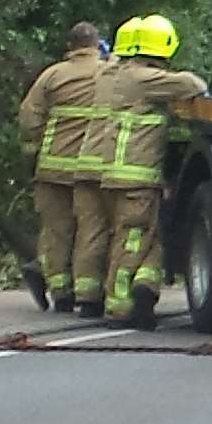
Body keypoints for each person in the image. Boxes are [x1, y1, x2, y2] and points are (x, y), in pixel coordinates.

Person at [96, 14, 207, 329]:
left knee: (149, 239)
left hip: (119, 177)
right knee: (131, 242)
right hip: (136, 179)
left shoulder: (120, 75)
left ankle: (145, 289)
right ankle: (119, 308)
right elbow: (193, 85)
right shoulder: (145, 79)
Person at [18, 22, 104, 313]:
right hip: (90, 168)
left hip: (52, 168)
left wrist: (34, 154)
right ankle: (88, 292)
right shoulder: (109, 74)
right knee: (88, 230)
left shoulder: (52, 75)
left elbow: (29, 119)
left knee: (57, 231)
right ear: (97, 45)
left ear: (70, 46)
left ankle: (61, 292)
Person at [72, 17, 142, 319]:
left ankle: (86, 297)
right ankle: (117, 301)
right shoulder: (140, 78)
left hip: (86, 165)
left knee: (90, 233)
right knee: (124, 235)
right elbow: (193, 84)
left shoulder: (104, 75)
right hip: (117, 168)